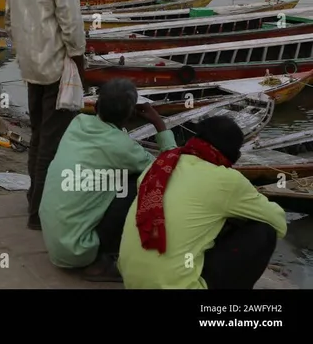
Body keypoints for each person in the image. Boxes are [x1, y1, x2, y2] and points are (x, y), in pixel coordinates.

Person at [118, 115, 287, 289]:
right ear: (234, 154)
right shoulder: (226, 179)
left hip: (132, 282)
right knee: (264, 232)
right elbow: (278, 222)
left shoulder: (160, 165)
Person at [40, 79, 177, 282]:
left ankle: (103, 251)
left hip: (56, 241)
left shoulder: (77, 124)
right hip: (78, 250)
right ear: (130, 115)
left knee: (120, 178)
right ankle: (99, 263)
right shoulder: (122, 147)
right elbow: (168, 168)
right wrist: (159, 124)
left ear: (96, 106)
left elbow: (110, 143)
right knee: (142, 186)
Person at [4, 0, 86, 231]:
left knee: (39, 133)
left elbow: (10, 20)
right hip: (57, 69)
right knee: (52, 142)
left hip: (29, 66)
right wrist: (81, 69)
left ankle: (33, 197)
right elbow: (73, 31)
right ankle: (38, 211)